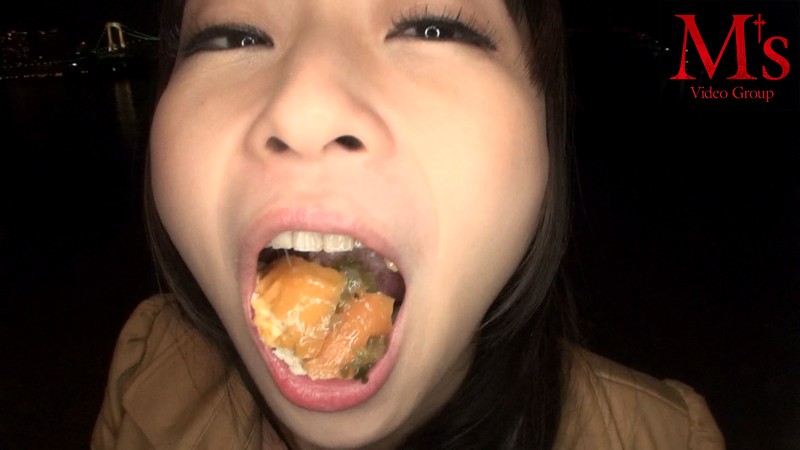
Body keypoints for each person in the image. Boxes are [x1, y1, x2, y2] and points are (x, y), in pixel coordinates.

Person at [92, 0, 726, 448]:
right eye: (233, 35)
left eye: (432, 27)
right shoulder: (144, 367)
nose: (306, 107)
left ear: (547, 125)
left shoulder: (670, 439)